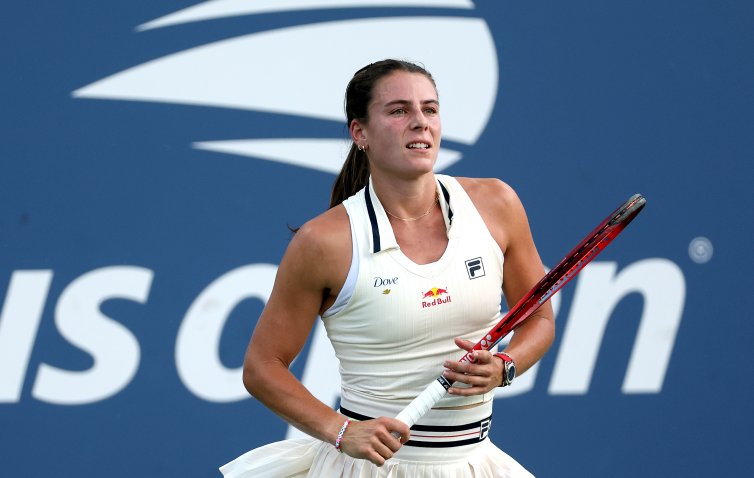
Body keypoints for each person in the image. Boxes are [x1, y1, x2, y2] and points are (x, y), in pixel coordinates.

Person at [220, 59, 555, 477]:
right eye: (398, 111)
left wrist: (506, 366)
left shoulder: (497, 204)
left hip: (474, 463)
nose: (420, 122)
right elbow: (262, 366)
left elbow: (538, 317)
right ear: (360, 132)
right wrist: (340, 430)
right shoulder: (324, 242)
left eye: (429, 109)